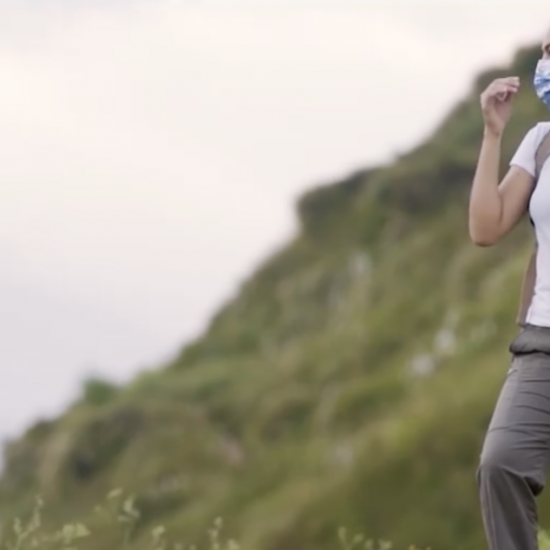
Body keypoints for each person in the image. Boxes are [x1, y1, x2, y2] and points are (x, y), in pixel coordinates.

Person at [469, 29, 550, 550]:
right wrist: (492, 134)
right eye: (547, 51)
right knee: (500, 465)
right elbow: (486, 226)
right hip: (543, 341)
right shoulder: (542, 141)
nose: (548, 60)